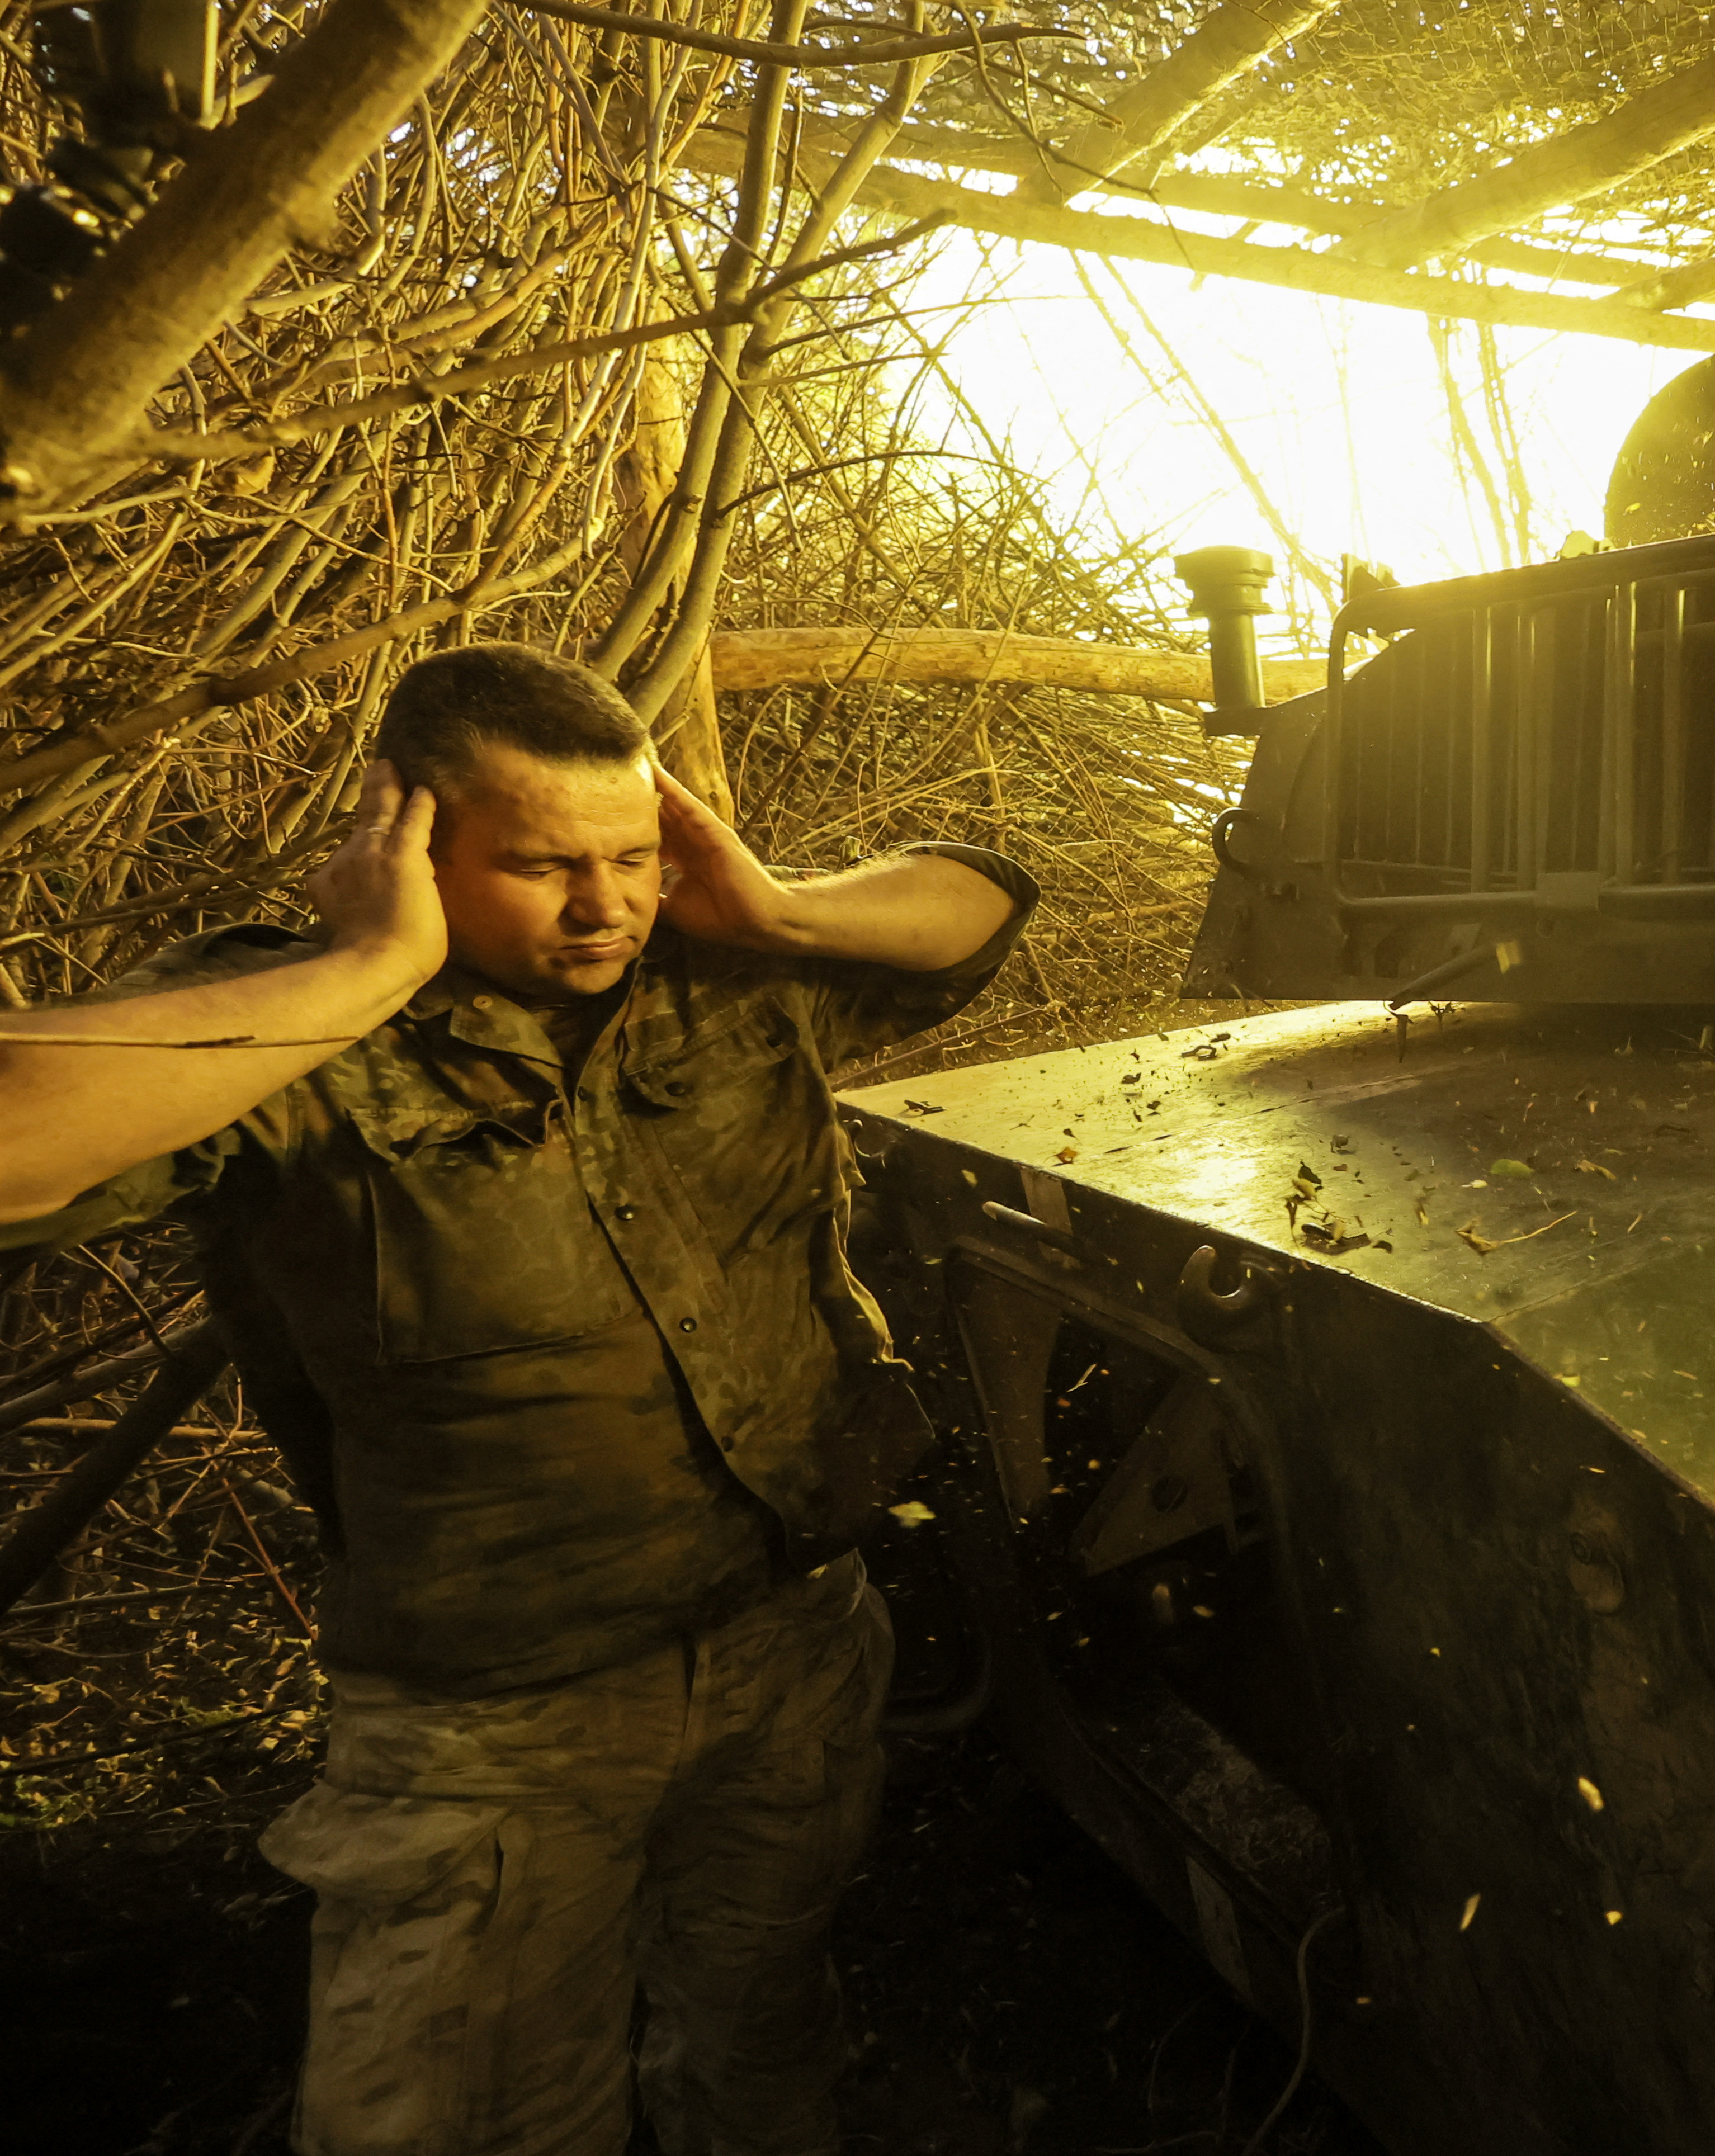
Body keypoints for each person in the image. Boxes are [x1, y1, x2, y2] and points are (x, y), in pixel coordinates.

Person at [0, 642, 1036, 2155]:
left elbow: (982, 901)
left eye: (630, 857)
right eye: (546, 865)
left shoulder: (730, 978)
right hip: (495, 1717)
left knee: (759, 2046)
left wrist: (771, 902)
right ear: (409, 843)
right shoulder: (292, 1034)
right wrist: (364, 971)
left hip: (789, 1639)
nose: (606, 906)